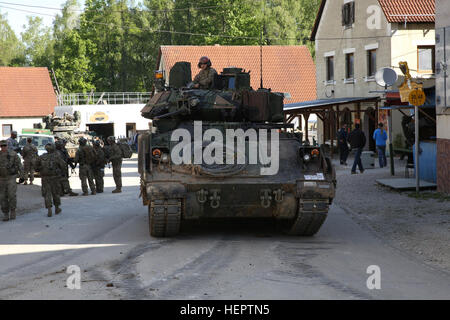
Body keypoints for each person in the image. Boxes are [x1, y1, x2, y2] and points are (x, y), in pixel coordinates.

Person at [35, 143, 65, 217]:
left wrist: (40, 170)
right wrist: (61, 173)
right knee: (56, 193)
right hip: (55, 178)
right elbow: (63, 166)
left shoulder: (42, 157)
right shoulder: (57, 157)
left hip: (45, 178)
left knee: (47, 194)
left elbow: (36, 167)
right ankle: (57, 208)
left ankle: (49, 209)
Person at [0, 140, 23, 221]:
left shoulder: (13, 154)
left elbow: (19, 165)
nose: (3, 147)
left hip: (11, 177)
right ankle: (5, 213)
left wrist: (22, 176)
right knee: (2, 197)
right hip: (1, 179)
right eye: (2, 146)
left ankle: (12, 210)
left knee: (11, 195)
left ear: (7, 146)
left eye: (4, 146)